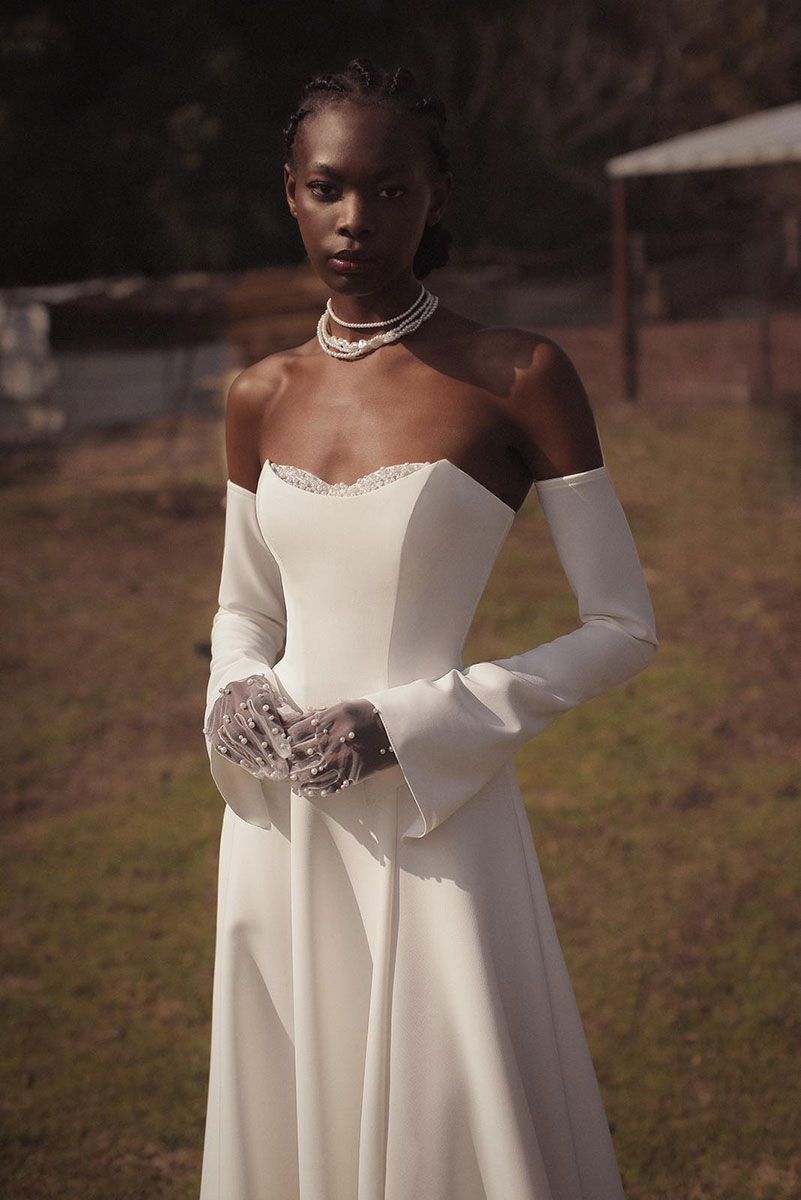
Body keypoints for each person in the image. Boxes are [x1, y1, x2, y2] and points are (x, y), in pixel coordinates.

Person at [199, 57, 659, 1200]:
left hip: (435, 812)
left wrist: (411, 725)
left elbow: (623, 626)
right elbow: (244, 608)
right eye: (328, 188)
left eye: (390, 189)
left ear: (437, 195)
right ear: (292, 194)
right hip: (283, 830)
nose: (356, 218)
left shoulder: (520, 375)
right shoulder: (257, 395)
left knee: (455, 1123)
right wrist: (237, 687)